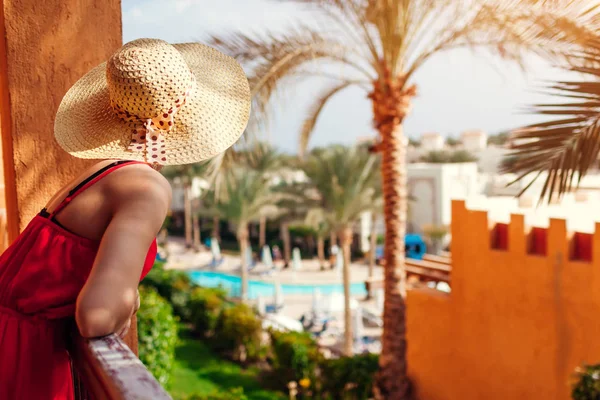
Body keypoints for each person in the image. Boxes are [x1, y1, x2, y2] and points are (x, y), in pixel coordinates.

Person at [0, 38, 250, 399]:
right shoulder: (146, 188)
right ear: (180, 120)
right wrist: (128, 298)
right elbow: (96, 315)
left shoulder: (99, 174)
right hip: (20, 361)